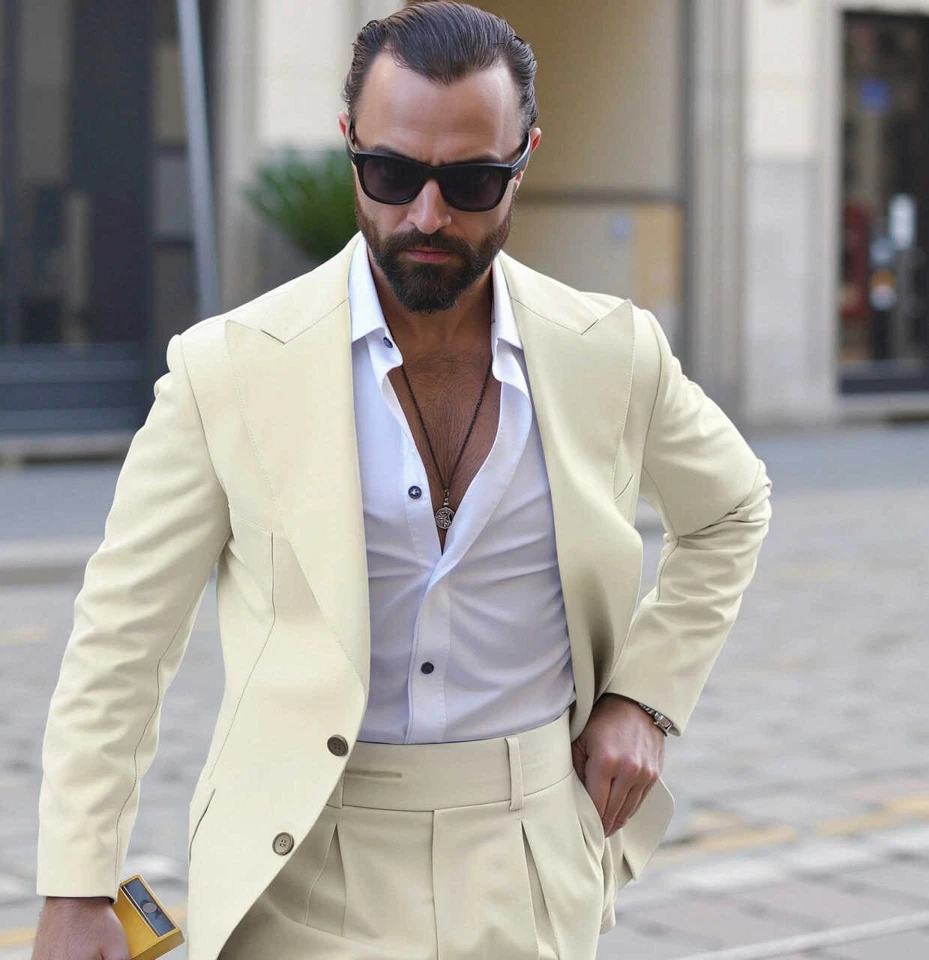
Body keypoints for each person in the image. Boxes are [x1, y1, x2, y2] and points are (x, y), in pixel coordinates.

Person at [32, 3, 773, 958]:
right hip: (299, 859)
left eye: (469, 181)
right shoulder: (228, 369)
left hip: (529, 853)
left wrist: (644, 695)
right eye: (390, 173)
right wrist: (76, 885)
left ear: (524, 157)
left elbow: (731, 508)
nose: (426, 216)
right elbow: (122, 642)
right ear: (350, 145)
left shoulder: (610, 351)